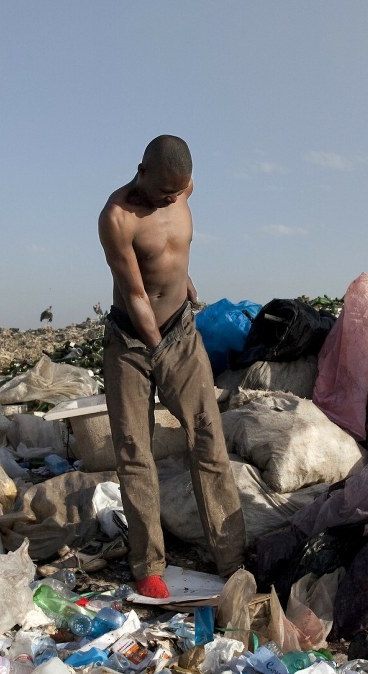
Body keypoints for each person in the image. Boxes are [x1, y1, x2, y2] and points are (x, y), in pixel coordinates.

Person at [97, 134, 245, 598]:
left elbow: (172, 254)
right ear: (141, 171)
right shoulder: (117, 218)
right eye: (163, 192)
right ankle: (148, 565)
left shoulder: (182, 189)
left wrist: (186, 286)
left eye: (177, 192)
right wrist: (156, 349)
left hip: (181, 332)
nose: (170, 199)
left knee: (207, 440)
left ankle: (232, 557)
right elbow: (138, 294)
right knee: (134, 453)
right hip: (131, 341)